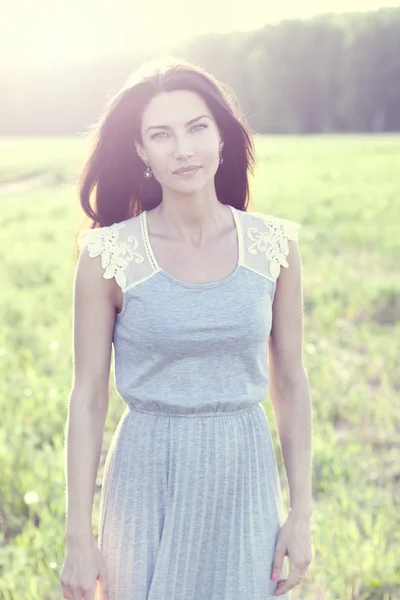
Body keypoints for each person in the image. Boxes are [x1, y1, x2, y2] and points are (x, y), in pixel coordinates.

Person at [60, 55, 313, 600]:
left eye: (197, 127)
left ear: (221, 137)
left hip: (242, 474)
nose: (183, 149)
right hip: (147, 475)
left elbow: (290, 382)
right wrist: (78, 535)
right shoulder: (107, 256)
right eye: (162, 134)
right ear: (141, 151)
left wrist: (302, 513)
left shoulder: (275, 247)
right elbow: (87, 398)